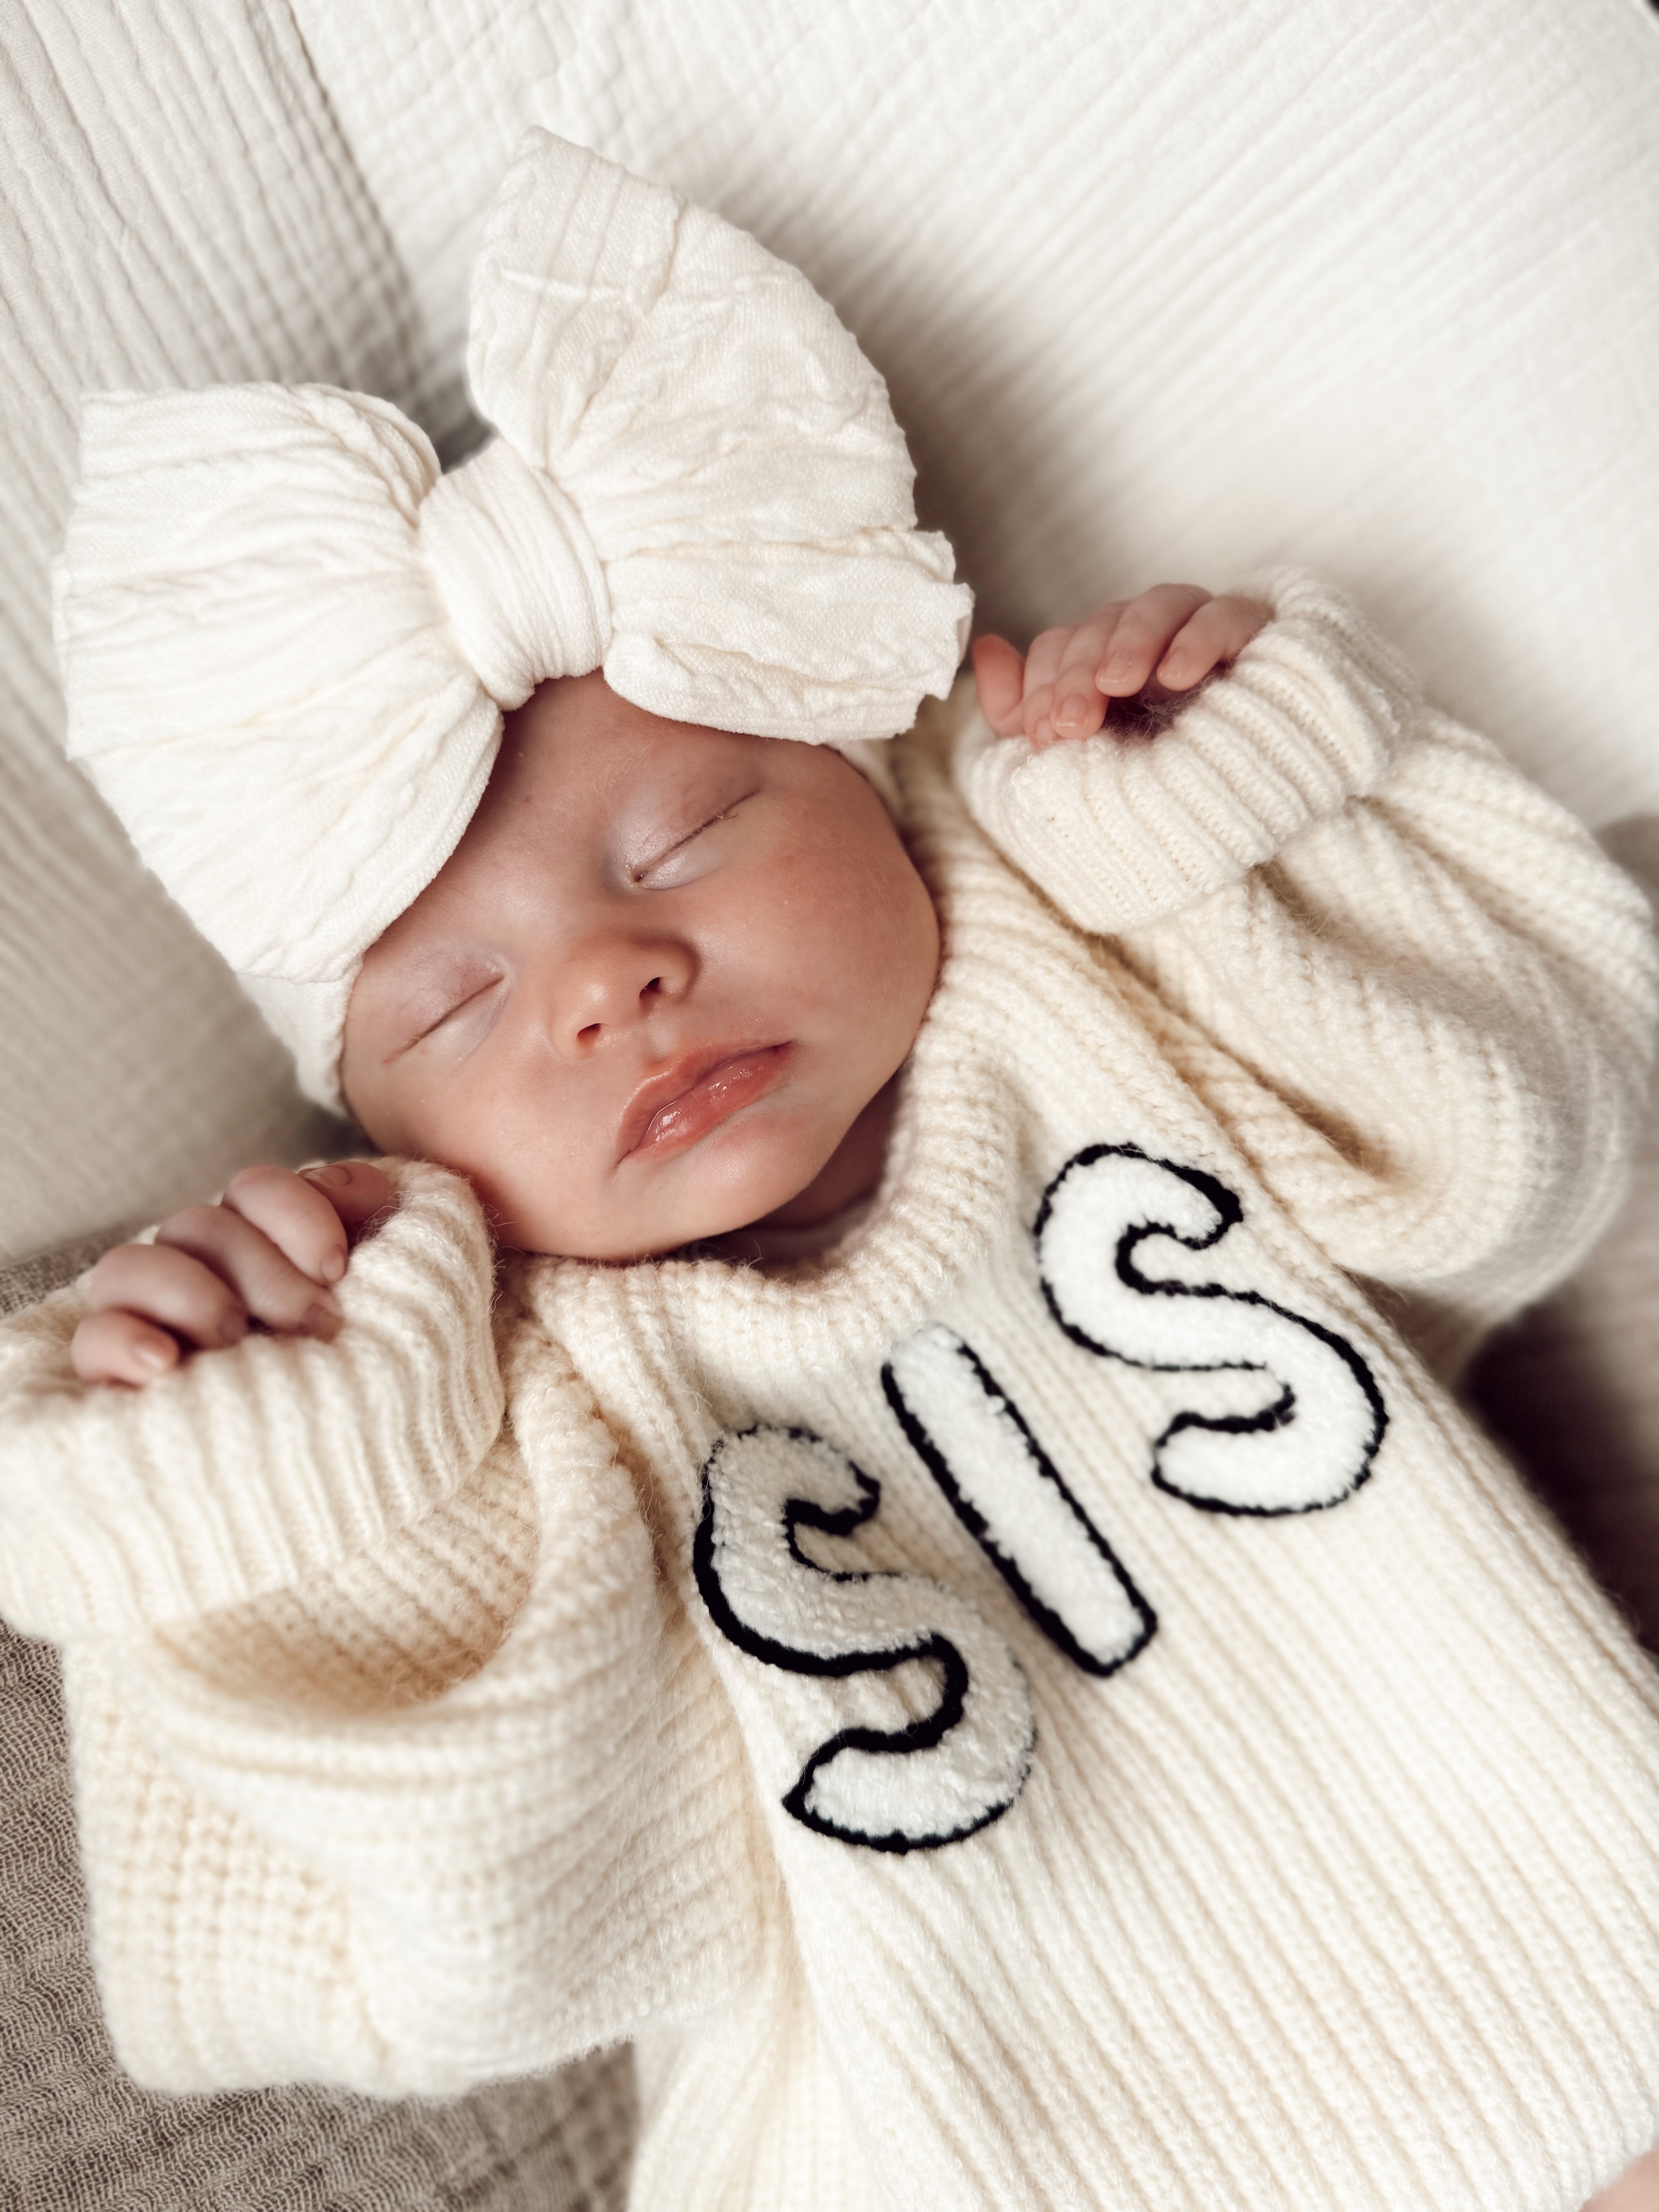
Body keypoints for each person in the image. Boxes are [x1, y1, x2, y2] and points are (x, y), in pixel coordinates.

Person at [5, 127, 1659, 2212]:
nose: (609, 986)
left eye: (685, 842)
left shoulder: (1092, 987)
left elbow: (1521, 1157)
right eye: (458, 1010)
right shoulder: (516, 1418)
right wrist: (290, 1480)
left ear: (881, 785)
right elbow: (452, 1962)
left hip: (1572, 2011)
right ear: (383, 1133)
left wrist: (1218, 812)